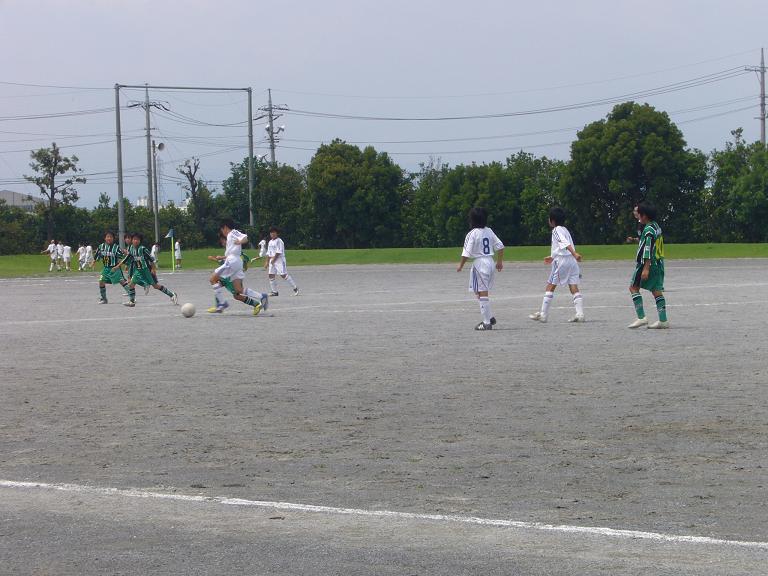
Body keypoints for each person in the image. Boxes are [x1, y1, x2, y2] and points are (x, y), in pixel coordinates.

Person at [529, 207, 585, 323]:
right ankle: (580, 314)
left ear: (552, 220)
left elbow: (564, 243)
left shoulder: (556, 230)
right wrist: (552, 256)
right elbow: (560, 246)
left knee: (550, 286)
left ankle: (543, 314)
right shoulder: (565, 230)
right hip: (572, 262)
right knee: (573, 286)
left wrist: (574, 254)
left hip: (562, 261)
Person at [456, 207, 504, 331]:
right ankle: (490, 317)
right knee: (478, 290)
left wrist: (461, 265)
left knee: (482, 292)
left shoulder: (472, 234)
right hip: (490, 262)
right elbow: (500, 246)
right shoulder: (489, 231)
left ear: (472, 220)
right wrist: (499, 262)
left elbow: (466, 252)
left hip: (480, 264)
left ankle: (486, 323)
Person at [208, 220, 266, 315]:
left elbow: (245, 238)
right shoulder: (230, 238)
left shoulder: (232, 233)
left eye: (222, 229)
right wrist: (221, 257)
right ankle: (261, 296)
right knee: (238, 290)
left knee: (213, 279)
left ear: (225, 227)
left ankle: (221, 303)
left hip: (232, 261)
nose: (222, 232)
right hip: (235, 262)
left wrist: (240, 241)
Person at [628, 202, 668, 329]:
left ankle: (641, 318)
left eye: (639, 213)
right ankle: (663, 320)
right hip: (658, 263)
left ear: (644, 215)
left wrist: (646, 268)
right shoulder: (656, 226)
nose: (637, 215)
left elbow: (648, 248)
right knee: (656, 291)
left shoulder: (648, 229)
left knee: (633, 287)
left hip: (648, 264)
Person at [113, 233, 177, 307]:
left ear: (140, 241)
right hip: (138, 270)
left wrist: (153, 269)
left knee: (155, 286)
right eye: (134, 239)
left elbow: (151, 259)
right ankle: (132, 301)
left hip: (147, 270)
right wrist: (117, 266)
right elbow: (127, 258)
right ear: (132, 240)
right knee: (131, 284)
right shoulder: (131, 249)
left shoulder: (143, 249)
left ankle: (172, 295)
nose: (136, 241)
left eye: (137, 239)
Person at [93, 232, 132, 304]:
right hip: (106, 268)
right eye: (107, 237)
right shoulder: (101, 246)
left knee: (122, 281)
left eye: (111, 237)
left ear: (113, 238)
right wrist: (94, 261)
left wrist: (125, 254)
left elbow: (122, 256)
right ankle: (104, 299)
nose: (109, 238)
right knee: (101, 281)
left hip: (114, 268)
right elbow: (97, 254)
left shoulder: (116, 247)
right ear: (105, 238)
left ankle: (132, 297)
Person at [265, 226, 299, 296]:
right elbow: (269, 253)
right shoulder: (270, 242)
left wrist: (274, 260)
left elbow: (278, 252)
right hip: (272, 260)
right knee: (271, 275)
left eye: (274, 232)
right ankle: (274, 292)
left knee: (283, 275)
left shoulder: (279, 241)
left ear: (277, 233)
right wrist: (267, 262)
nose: (272, 234)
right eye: (271, 232)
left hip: (279, 260)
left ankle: (295, 288)